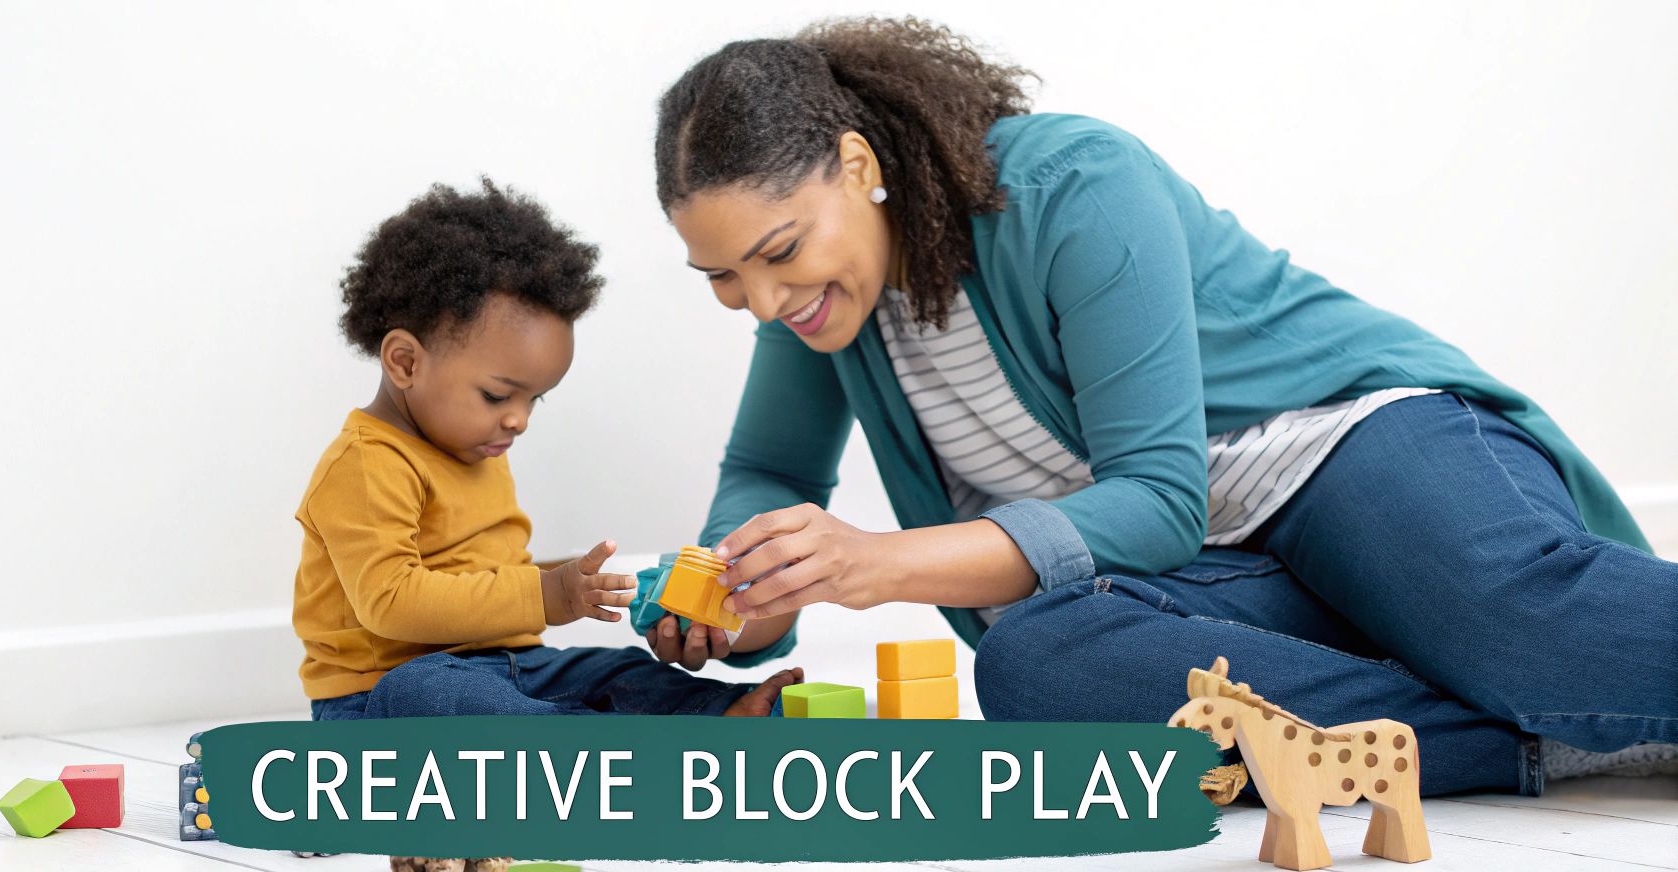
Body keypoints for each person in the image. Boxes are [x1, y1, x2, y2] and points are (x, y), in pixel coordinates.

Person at [647, 17, 1677, 795]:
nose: (764, 302)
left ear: (857, 165)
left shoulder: (1068, 184)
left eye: (779, 251)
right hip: (1213, 573)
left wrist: (876, 564)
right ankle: (1545, 737)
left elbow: (1157, 497)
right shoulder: (818, 307)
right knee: (1036, 666)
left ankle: (1531, 684)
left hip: (1340, 454)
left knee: (1519, 625)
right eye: (722, 276)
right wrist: (740, 592)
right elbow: (772, 471)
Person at [293, 181, 800, 726]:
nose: (519, 419)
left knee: (620, 671)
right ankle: (615, 742)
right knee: (428, 691)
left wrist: (586, 585)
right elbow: (390, 602)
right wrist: (546, 594)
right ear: (405, 362)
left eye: (534, 399)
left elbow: (485, 577)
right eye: (497, 396)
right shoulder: (367, 465)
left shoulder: (476, 446)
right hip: (382, 693)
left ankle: (718, 715)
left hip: (513, 667)